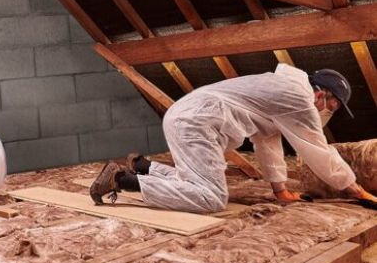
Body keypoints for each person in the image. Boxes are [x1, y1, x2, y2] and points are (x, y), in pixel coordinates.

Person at [89, 64, 377, 213]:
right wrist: (356, 190)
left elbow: (267, 140)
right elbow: (318, 151)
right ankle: (122, 181)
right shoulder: (299, 98)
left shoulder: (282, 90)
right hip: (198, 123)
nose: (329, 111)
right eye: (333, 105)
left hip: (189, 116)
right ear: (320, 93)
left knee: (195, 183)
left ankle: (145, 167)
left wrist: (280, 192)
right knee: (211, 198)